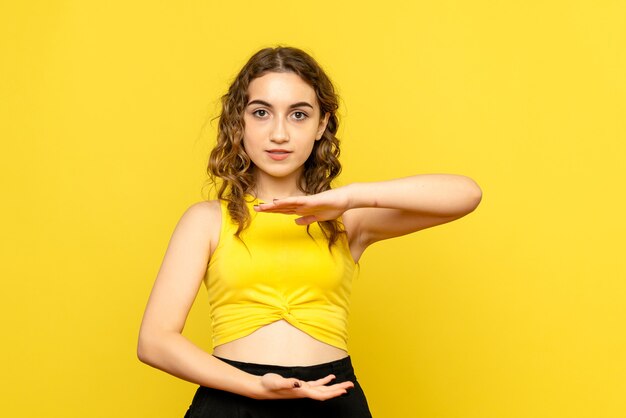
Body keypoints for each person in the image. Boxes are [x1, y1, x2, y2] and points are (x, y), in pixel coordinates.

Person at [137, 46, 482, 418]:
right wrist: (255, 387)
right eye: (261, 113)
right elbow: (155, 341)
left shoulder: (347, 218)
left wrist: (349, 197)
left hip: (332, 401)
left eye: (298, 115)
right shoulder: (206, 219)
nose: (280, 133)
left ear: (321, 124)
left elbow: (465, 194)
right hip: (233, 400)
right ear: (240, 120)